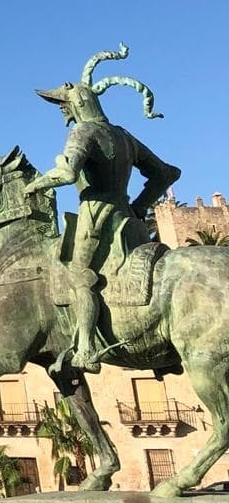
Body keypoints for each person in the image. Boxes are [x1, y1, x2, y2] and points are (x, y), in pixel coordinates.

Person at [22, 45, 179, 374]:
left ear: (76, 103)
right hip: (127, 218)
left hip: (95, 218)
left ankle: (88, 347)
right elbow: (166, 173)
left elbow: (66, 174)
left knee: (80, 277)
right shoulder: (123, 136)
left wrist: (33, 186)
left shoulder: (84, 131)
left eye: (62, 105)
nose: (62, 112)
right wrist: (138, 205)